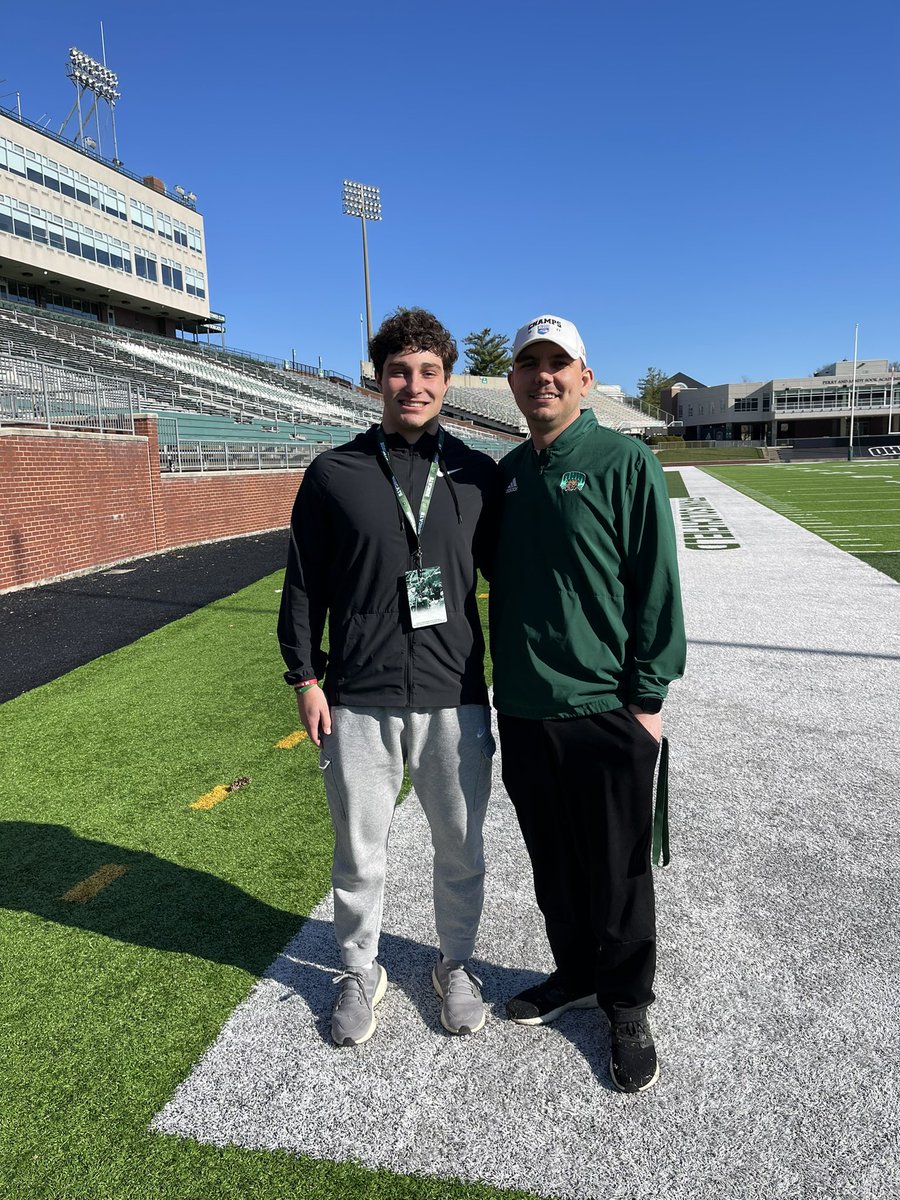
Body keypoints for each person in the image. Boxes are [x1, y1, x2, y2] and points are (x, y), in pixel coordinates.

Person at [278, 307, 497, 1047]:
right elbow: (303, 584)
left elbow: (524, 579)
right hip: (360, 696)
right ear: (378, 379)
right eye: (399, 371)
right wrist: (305, 678)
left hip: (455, 695)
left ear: (448, 380)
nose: (414, 384)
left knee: (461, 847)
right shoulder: (334, 473)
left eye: (428, 372)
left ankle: (455, 964)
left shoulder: (475, 472)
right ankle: (356, 971)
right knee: (359, 852)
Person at [489, 314, 686, 1093]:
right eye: (530, 363)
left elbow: (656, 585)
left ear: (585, 376)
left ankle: (627, 1001)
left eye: (558, 364)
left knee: (619, 871)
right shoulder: (505, 473)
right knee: (554, 863)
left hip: (604, 705)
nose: (544, 375)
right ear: (511, 380)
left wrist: (646, 696)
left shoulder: (623, 459)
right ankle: (574, 972)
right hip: (527, 708)